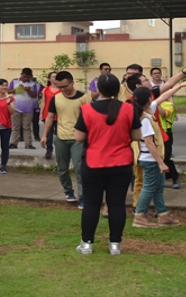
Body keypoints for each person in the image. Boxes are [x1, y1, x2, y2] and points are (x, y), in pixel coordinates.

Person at [73, 73, 139, 255]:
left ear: (98, 89)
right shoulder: (128, 108)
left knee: (92, 204)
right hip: (121, 163)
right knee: (117, 204)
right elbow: (136, 135)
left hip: (94, 163)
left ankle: (87, 244)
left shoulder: (87, 109)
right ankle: (115, 244)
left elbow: (78, 137)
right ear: (118, 89)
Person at [132, 86, 183, 229]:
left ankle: (163, 215)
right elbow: (149, 143)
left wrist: (179, 86)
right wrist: (161, 163)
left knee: (159, 186)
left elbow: (163, 95)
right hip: (150, 160)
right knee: (148, 187)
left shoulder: (146, 112)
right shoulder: (145, 120)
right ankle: (140, 215)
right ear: (148, 99)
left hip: (151, 158)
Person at [41, 71, 91, 208]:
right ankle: (68, 191)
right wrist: (45, 135)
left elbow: (90, 118)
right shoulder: (56, 99)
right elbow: (50, 117)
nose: (63, 89)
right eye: (59, 87)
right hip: (60, 137)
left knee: (80, 169)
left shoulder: (84, 98)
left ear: (72, 82)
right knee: (62, 168)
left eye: (65, 86)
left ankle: (83, 197)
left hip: (78, 139)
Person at [8, 68, 40, 149]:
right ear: (21, 74)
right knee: (15, 127)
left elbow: (34, 95)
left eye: (28, 77)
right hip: (15, 108)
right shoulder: (14, 81)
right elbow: (8, 91)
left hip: (28, 109)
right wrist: (18, 89)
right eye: (24, 76)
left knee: (27, 127)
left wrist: (28, 91)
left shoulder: (32, 84)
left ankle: (28, 144)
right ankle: (13, 143)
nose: (25, 79)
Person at [41, 72, 59, 159]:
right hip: (48, 114)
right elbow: (43, 102)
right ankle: (49, 150)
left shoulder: (61, 89)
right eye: (53, 77)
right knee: (49, 133)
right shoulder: (45, 90)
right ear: (49, 79)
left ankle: (60, 150)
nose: (55, 78)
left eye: (56, 77)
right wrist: (41, 113)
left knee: (59, 133)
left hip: (59, 114)